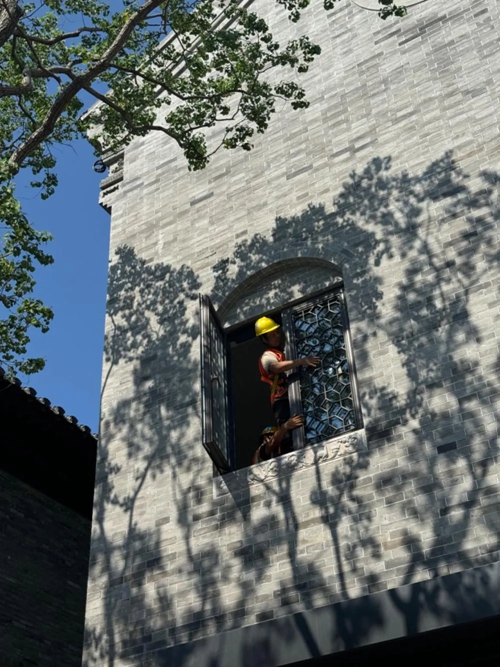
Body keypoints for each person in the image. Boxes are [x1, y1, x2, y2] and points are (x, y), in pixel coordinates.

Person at [255, 316, 319, 452]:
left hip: (291, 396)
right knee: (288, 435)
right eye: (272, 335)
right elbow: (275, 367)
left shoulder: (282, 352)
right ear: (264, 339)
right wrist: (300, 361)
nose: (277, 336)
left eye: (277, 332)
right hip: (282, 400)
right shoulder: (267, 356)